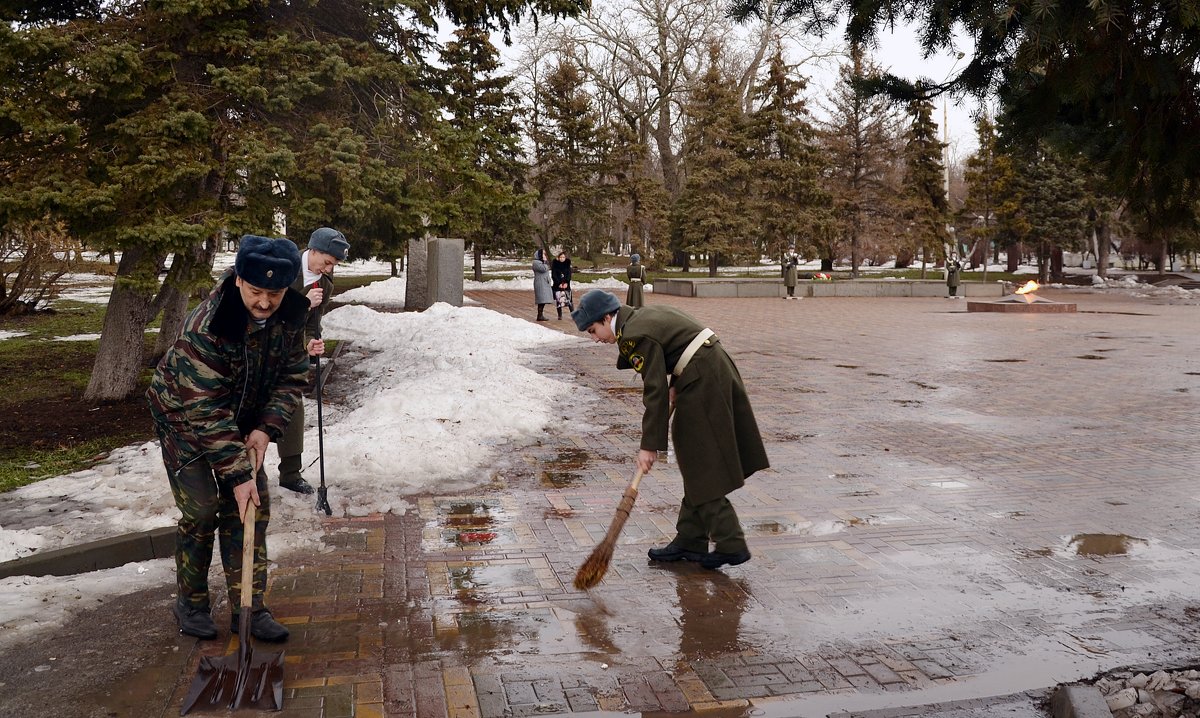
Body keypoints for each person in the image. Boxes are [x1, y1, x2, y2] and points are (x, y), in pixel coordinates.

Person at [147, 235, 309, 643]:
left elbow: (291, 378)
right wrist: (238, 475)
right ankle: (192, 601)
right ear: (238, 280)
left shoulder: (290, 315)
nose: (265, 303)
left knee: (253, 508)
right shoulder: (207, 326)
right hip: (185, 419)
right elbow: (204, 409)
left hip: (243, 419)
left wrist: (265, 428)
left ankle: (248, 608)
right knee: (202, 511)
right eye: (256, 291)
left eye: (274, 293)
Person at [571, 291, 769, 570]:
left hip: (705, 377)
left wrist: (649, 446)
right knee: (693, 456)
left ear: (607, 317)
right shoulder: (637, 318)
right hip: (703, 370)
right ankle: (690, 538)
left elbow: (655, 392)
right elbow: (678, 344)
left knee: (701, 459)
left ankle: (731, 542)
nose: (595, 338)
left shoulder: (634, 334)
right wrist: (677, 378)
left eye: (593, 330)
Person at [277, 227, 350, 494]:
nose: (328, 269)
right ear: (314, 250)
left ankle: (290, 474)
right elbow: (266, 309)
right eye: (327, 262)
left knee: (293, 408)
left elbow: (311, 324)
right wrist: (303, 302)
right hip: (262, 351)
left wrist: (311, 342)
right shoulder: (283, 268)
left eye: (333, 265)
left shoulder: (324, 285)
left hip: (292, 354)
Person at [551, 251, 574, 320]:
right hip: (558, 286)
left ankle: (573, 314)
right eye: (560, 257)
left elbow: (569, 275)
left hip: (566, 285)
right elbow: (554, 275)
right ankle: (560, 315)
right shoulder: (555, 265)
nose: (562, 258)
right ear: (558, 258)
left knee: (569, 300)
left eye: (563, 257)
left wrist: (566, 282)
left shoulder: (567, 265)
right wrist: (559, 284)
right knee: (559, 300)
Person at [533, 249, 553, 321]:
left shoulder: (540, 262)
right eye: (544, 254)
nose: (545, 256)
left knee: (543, 300)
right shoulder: (536, 263)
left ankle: (540, 315)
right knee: (541, 299)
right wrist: (545, 262)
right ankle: (539, 315)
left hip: (544, 283)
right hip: (540, 283)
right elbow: (544, 269)